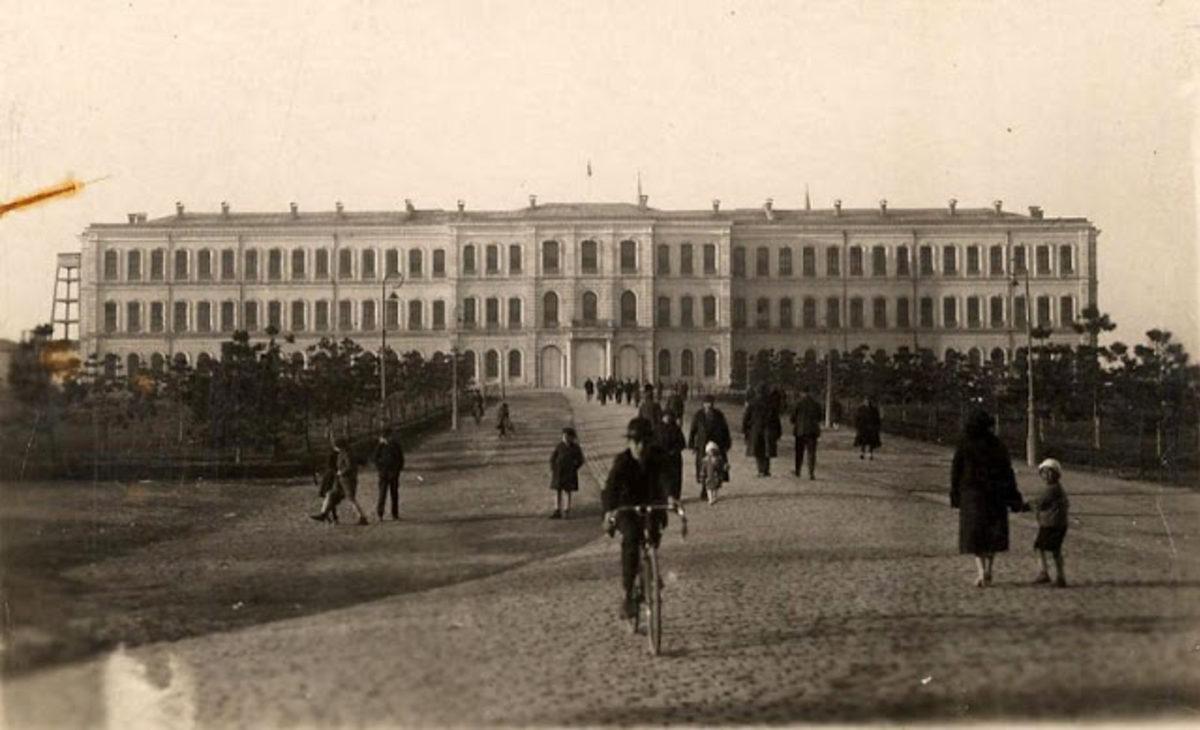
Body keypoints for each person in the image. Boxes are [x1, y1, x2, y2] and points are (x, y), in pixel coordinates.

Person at [602, 417, 676, 621]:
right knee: (632, 538)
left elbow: (666, 477)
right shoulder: (622, 461)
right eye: (637, 442)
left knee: (653, 533)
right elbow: (610, 489)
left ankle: (650, 573)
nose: (641, 447)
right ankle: (627, 593)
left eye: (645, 442)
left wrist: (670, 496)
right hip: (628, 509)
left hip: (652, 506)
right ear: (630, 443)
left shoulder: (657, 458)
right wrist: (609, 511)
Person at [950, 409, 1025, 587]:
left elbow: (955, 472)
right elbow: (1008, 472)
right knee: (991, 536)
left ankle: (981, 572)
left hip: (972, 495)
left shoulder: (965, 444)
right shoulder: (997, 444)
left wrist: (955, 495)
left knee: (975, 536)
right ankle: (989, 569)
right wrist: (1013, 496)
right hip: (994, 495)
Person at [1025, 458, 1070, 588]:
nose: (1047, 475)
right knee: (1047, 549)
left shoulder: (1052, 489)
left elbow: (1039, 502)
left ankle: (1050, 574)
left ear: (1056, 474)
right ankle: (1052, 575)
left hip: (1052, 524)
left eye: (1050, 472)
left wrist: (1024, 506)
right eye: (1044, 472)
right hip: (1054, 523)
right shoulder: (1054, 488)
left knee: (1045, 549)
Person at [312, 436, 369, 526]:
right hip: (341, 480)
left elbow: (350, 466)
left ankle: (362, 517)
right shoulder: (342, 453)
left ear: (340, 446)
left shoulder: (347, 453)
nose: (335, 448)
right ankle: (323, 514)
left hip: (347, 480)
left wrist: (341, 472)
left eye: (336, 446)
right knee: (330, 494)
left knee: (351, 498)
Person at [688, 395, 732, 501]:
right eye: (706, 403)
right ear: (703, 404)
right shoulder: (698, 415)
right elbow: (693, 430)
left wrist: (727, 443)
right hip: (702, 445)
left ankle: (713, 489)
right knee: (704, 468)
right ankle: (704, 489)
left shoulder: (719, 415)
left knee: (716, 467)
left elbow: (725, 430)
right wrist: (692, 445)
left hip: (716, 445)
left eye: (710, 403)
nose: (709, 405)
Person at [549, 427, 586, 519]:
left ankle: (566, 510)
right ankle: (557, 510)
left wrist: (574, 467)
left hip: (569, 473)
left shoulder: (575, 448)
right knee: (557, 491)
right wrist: (554, 468)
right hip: (559, 472)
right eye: (563, 436)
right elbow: (553, 458)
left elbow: (581, 460)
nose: (565, 438)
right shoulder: (559, 446)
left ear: (571, 437)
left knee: (567, 491)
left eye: (567, 436)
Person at [743, 383, 779, 477]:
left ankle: (760, 470)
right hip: (768, 429)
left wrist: (745, 430)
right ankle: (766, 470)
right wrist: (778, 431)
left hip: (756, 429)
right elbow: (775, 418)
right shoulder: (771, 403)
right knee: (766, 450)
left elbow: (746, 417)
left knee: (758, 450)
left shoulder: (752, 403)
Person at [790, 387, 823, 480]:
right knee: (811, 452)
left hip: (800, 431)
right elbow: (820, 417)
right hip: (812, 431)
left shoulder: (798, 403)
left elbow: (792, 418)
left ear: (802, 393)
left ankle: (797, 471)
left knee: (799, 452)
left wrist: (797, 422)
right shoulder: (816, 404)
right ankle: (811, 473)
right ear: (810, 392)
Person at [654, 410, 687, 501]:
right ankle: (664, 497)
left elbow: (682, 443)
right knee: (663, 478)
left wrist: (675, 450)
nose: (667, 418)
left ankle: (675, 497)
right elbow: (653, 443)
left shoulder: (676, 429)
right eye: (665, 416)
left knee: (675, 479)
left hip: (674, 458)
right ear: (662, 417)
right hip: (661, 458)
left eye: (669, 416)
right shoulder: (657, 429)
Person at [373, 431, 406, 521]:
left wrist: (397, 470)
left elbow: (401, 459)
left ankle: (395, 514)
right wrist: (380, 468)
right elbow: (375, 459)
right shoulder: (380, 447)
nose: (387, 440)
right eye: (385, 438)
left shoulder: (396, 445)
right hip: (383, 474)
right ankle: (380, 514)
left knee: (394, 494)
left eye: (388, 437)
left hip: (393, 474)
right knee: (382, 494)